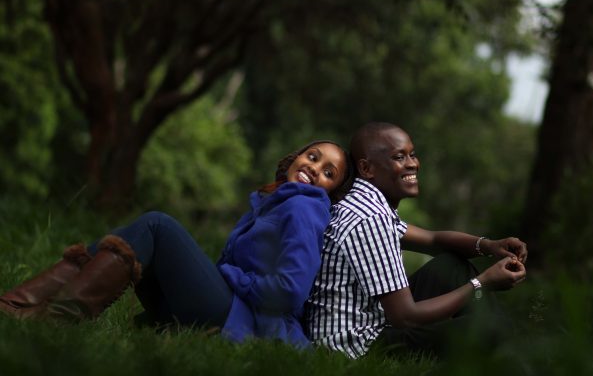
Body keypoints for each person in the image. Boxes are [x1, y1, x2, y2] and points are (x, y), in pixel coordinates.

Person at [0, 140, 354, 348]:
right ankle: (22, 305)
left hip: (244, 324)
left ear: (330, 190)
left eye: (329, 173)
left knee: (157, 226)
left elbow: (289, 292)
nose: (315, 167)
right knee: (138, 235)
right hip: (227, 311)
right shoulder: (275, 200)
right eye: (313, 156)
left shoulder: (305, 207)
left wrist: (230, 276)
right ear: (296, 156)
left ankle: (47, 315)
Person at [304, 122, 527, 359]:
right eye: (399, 157)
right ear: (367, 168)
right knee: (490, 326)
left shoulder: (366, 202)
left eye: (412, 154)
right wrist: (483, 283)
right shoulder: (369, 218)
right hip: (354, 348)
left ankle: (500, 351)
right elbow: (405, 316)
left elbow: (432, 240)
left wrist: (489, 246)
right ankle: (508, 353)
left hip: (371, 322)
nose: (412, 164)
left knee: (452, 267)